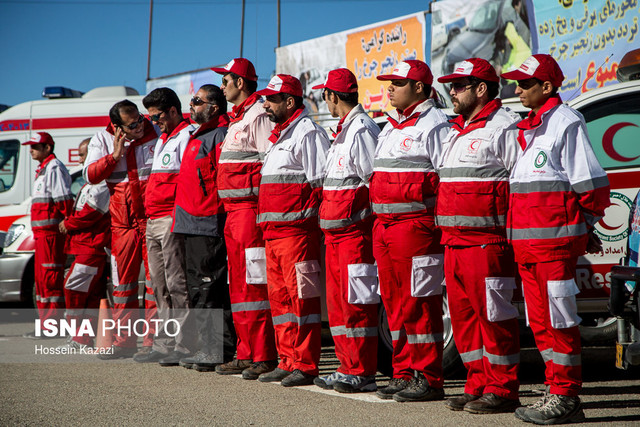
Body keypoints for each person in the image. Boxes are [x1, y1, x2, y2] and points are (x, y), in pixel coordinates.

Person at [501, 54, 610, 425]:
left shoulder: (565, 122)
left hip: (553, 249)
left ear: (546, 87)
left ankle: (567, 396)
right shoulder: (528, 128)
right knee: (542, 323)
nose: (517, 90)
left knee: (560, 321)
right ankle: (555, 388)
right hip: (529, 250)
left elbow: (591, 185)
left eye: (524, 83)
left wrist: (588, 223)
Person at [435, 58, 522, 413]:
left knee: (495, 318)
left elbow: (521, 182)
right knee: (465, 321)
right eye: (450, 86)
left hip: (487, 242)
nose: (451, 92)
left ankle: (503, 388)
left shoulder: (505, 126)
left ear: (480, 89)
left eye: (458, 86)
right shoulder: (457, 129)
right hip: (454, 242)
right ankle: (477, 383)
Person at [369, 60, 450, 402]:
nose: (389, 88)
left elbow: (448, 178)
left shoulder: (435, 124)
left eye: (397, 83)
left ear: (419, 87)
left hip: (416, 227)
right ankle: (403, 371)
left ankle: (428, 377)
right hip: (384, 228)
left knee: (420, 303)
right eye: (388, 82)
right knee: (394, 304)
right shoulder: (389, 126)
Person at [254, 74, 330, 387]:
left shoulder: (307, 132)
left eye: (271, 99)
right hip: (274, 236)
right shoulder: (280, 135)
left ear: (289, 102)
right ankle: (287, 360)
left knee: (303, 302)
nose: (265, 104)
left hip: (297, 235)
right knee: (281, 303)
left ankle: (306, 364)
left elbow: (321, 183)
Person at [311, 68, 380, 393]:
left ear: (332, 96)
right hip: (336, 237)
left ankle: (362, 371)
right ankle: (346, 366)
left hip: (355, 237)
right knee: (339, 305)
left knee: (357, 304)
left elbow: (373, 183)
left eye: (324, 95)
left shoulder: (362, 129)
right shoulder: (343, 131)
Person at [211, 58, 278, 379]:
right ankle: (246, 352)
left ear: (240, 82)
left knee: (255, 284)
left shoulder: (258, 115)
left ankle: (264, 355)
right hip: (233, 217)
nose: (222, 86)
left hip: (251, 215)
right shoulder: (236, 119)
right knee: (237, 286)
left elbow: (271, 165)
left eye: (225, 80)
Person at [84, 100, 160, 359]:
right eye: (132, 124)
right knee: (123, 285)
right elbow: (90, 176)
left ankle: (152, 342)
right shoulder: (101, 139)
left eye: (139, 119)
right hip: (122, 224)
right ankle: (123, 342)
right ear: (117, 127)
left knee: (154, 283)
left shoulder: (156, 132)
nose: (140, 126)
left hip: (150, 219)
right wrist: (114, 156)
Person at [171, 84, 235, 371]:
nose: (192, 105)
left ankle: (216, 350)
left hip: (209, 224)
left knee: (210, 289)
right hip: (190, 224)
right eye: (192, 100)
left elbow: (222, 183)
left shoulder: (220, 135)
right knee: (198, 289)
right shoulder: (198, 136)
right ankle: (205, 347)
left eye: (198, 101)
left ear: (214, 107)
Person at [135, 88, 196, 365]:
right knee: (158, 286)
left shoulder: (187, 135)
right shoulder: (163, 138)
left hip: (172, 218)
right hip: (153, 220)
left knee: (176, 284)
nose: (153, 121)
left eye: (157, 115)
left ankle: (184, 345)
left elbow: (188, 182)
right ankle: (164, 343)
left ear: (173, 110)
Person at [58, 138, 111, 349]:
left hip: (91, 247)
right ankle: (83, 338)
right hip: (85, 245)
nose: (80, 159)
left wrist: (68, 224)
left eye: (82, 155)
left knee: (74, 289)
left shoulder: (101, 183)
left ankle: (79, 338)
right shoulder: (92, 181)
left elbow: (91, 213)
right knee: (87, 294)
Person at [22, 132, 73, 337]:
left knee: (50, 281)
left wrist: (67, 222)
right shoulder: (43, 169)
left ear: (47, 148)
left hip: (51, 235)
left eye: (35, 146)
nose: (31, 149)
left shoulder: (54, 167)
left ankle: (52, 327)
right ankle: (46, 325)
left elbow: (64, 200)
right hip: (42, 236)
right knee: (43, 282)